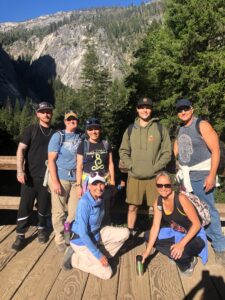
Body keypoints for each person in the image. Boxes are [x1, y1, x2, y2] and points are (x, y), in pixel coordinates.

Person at [174, 98, 225, 265]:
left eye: (186, 109)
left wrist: (211, 175)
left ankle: (220, 247)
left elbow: (215, 150)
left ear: (192, 109)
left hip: (202, 176)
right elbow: (177, 151)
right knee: (192, 212)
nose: (183, 112)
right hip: (186, 178)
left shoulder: (201, 125)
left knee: (209, 210)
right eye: (180, 110)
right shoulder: (180, 128)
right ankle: (197, 242)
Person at [119, 97, 172, 235]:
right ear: (137, 110)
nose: (145, 110)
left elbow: (167, 152)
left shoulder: (160, 128)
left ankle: (156, 234)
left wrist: (156, 168)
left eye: (147, 107)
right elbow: (123, 151)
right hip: (134, 176)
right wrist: (131, 166)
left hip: (154, 178)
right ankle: (129, 234)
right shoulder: (130, 129)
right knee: (132, 207)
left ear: (151, 109)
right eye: (142, 107)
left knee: (156, 207)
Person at [62, 172, 130, 279]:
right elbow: (83, 234)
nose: (99, 187)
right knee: (107, 273)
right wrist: (98, 255)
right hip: (81, 241)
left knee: (126, 233)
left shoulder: (102, 195)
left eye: (101, 183)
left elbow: (112, 192)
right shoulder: (84, 203)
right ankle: (75, 259)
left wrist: (120, 186)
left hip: (96, 234)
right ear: (89, 186)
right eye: (94, 184)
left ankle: (101, 255)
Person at [142, 172, 207, 276]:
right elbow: (155, 227)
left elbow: (197, 225)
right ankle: (175, 252)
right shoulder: (158, 202)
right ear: (156, 186)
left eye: (166, 185)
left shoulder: (180, 198)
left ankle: (189, 263)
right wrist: (147, 252)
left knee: (180, 256)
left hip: (195, 236)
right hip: (177, 233)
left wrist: (181, 244)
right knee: (147, 236)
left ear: (171, 185)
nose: (163, 188)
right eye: (159, 185)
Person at [12, 101, 54, 251]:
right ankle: (20, 234)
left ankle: (42, 229)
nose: (46, 114)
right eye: (43, 111)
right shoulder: (31, 129)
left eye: (48, 111)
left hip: (47, 178)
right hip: (29, 176)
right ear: (37, 114)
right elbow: (20, 150)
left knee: (44, 206)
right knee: (25, 206)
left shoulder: (55, 133)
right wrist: (20, 171)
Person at [48, 110, 83, 252]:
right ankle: (59, 237)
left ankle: (68, 231)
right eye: (69, 119)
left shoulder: (82, 136)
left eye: (74, 119)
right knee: (58, 211)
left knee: (74, 211)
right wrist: (55, 182)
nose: (71, 121)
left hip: (76, 180)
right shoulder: (58, 137)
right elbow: (51, 160)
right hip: (60, 178)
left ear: (77, 121)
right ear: (65, 121)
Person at [76, 117, 115, 224]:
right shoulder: (83, 145)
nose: (94, 131)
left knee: (105, 208)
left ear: (100, 129)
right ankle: (89, 232)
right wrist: (78, 185)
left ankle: (104, 230)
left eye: (96, 129)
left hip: (104, 183)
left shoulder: (106, 144)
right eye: (91, 129)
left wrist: (113, 182)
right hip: (88, 184)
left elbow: (110, 164)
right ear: (87, 131)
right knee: (89, 208)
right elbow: (79, 166)